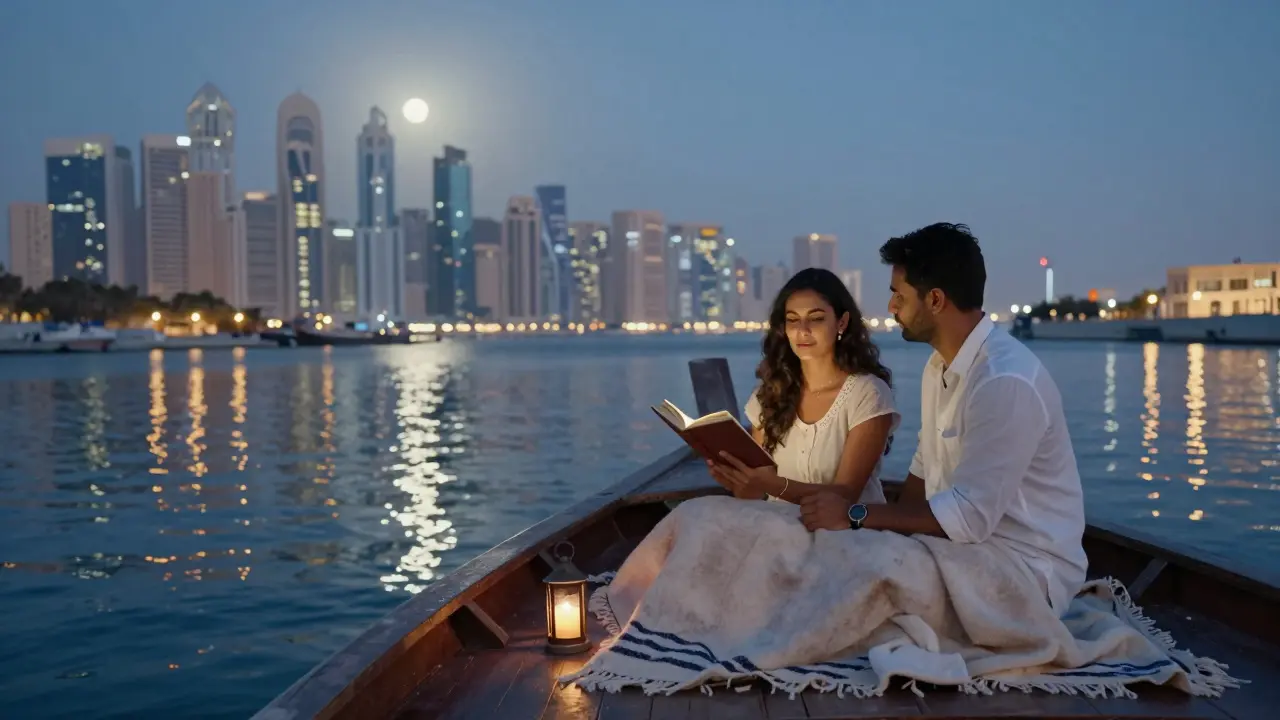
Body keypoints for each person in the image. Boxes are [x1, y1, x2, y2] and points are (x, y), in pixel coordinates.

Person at [798, 222, 1088, 616]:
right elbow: (922, 472)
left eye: (898, 295)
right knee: (841, 559)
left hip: (1025, 571)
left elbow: (969, 518)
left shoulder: (1004, 380)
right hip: (962, 552)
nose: (891, 308)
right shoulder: (940, 368)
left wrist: (854, 514)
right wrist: (877, 535)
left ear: (934, 299)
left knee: (860, 584)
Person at [708, 268, 899, 506]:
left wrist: (769, 484)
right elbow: (754, 495)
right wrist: (739, 482)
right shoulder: (769, 394)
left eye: (816, 318)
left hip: (849, 530)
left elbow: (845, 495)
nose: (802, 330)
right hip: (779, 527)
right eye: (793, 320)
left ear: (842, 322)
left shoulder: (868, 393)